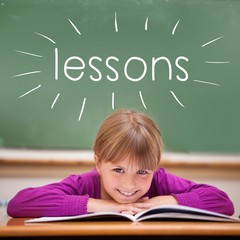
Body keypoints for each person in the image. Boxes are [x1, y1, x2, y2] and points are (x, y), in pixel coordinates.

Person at [7, 109, 234, 217]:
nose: (129, 184)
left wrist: (166, 201)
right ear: (98, 163)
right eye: (117, 169)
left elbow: (223, 202)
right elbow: (19, 204)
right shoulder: (84, 184)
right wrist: (103, 206)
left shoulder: (161, 182)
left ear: (155, 166)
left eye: (143, 171)